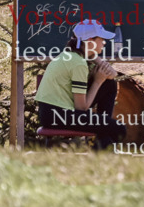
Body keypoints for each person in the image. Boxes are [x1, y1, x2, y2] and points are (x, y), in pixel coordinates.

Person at [35, 19, 126, 149]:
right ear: (90, 41)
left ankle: (101, 146)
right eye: (101, 39)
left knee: (109, 84)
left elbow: (112, 75)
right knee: (118, 128)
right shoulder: (78, 63)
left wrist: (94, 56)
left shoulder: (73, 56)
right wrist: (97, 81)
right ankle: (101, 155)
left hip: (53, 114)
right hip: (57, 116)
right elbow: (81, 109)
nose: (104, 43)